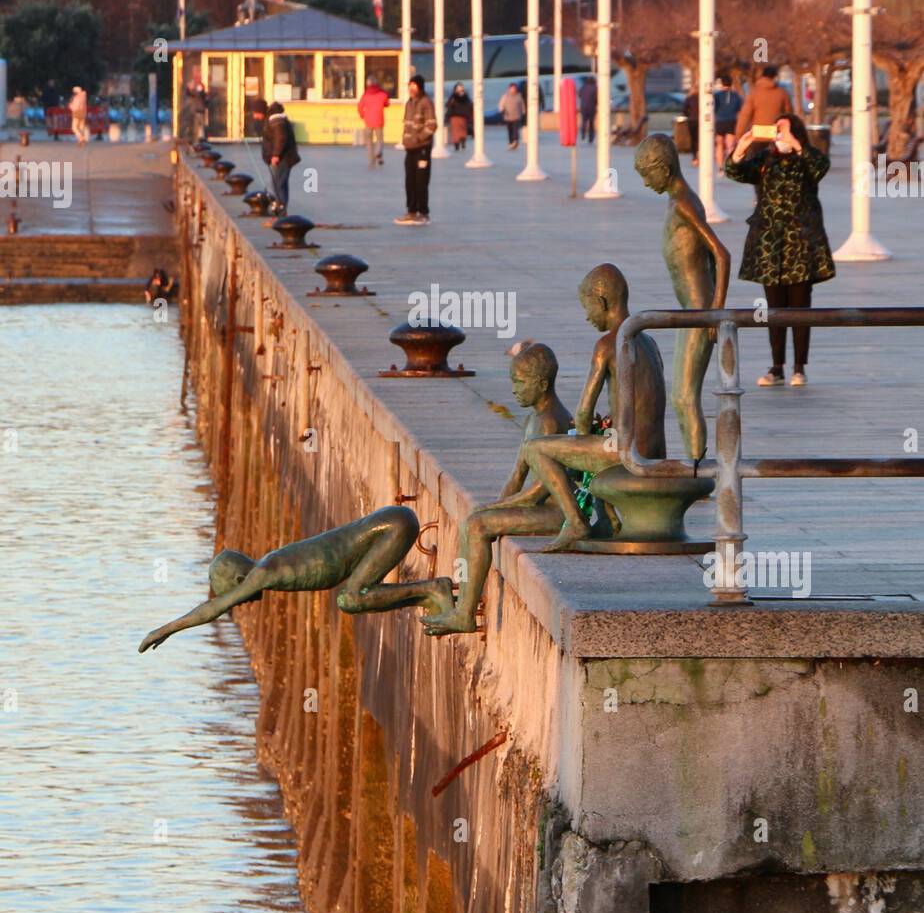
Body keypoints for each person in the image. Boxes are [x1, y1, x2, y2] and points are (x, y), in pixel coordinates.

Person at [497, 265, 667, 553]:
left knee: (536, 449)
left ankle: (576, 520)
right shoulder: (648, 339)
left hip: (627, 452)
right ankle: (607, 520)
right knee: (594, 444)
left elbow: (583, 413)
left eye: (587, 307)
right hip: (656, 451)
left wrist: (582, 435)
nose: (587, 316)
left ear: (600, 302)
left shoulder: (606, 345)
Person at [138, 506, 455, 654]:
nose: (244, 602)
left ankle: (433, 590)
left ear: (239, 578)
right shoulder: (270, 562)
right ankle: (428, 596)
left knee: (350, 599)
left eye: (238, 593)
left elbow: (213, 609)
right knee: (353, 595)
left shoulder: (264, 573)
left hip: (394, 526)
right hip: (390, 521)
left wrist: (165, 629)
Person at [421, 343, 573, 636]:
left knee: (477, 525)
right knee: (477, 519)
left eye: (519, 382)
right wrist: (498, 505)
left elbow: (539, 492)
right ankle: (462, 603)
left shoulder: (550, 422)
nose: (513, 389)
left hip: (559, 513)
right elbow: (517, 477)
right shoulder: (533, 419)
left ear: (542, 384)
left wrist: (494, 512)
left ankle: (464, 613)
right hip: (545, 506)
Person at [634, 134, 730, 461]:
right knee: (681, 396)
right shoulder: (677, 200)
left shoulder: (683, 203)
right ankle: (694, 465)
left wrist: (715, 313)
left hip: (698, 313)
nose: (646, 183)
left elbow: (721, 254)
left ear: (664, 167)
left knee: (685, 397)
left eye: (648, 174)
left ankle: (697, 470)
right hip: (690, 312)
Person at [724, 113, 835, 388]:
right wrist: (742, 146)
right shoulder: (765, 160)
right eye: (777, 131)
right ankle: (777, 366)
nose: (780, 136)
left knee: (800, 308)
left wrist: (796, 144)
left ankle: (799, 367)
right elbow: (735, 171)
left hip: (801, 247)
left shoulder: (806, 158)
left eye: (785, 130)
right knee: (773, 309)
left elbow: (821, 167)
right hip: (769, 246)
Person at [395, 74, 436, 225]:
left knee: (421, 181)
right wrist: (406, 140)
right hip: (410, 149)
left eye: (414, 86)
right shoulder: (409, 103)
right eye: (409, 86)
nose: (411, 89)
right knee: (410, 181)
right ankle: (411, 211)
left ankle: (423, 213)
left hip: (422, 148)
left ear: (420, 87)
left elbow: (432, 125)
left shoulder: (426, 103)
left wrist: (418, 138)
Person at [261, 100, 300, 214]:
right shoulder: (274, 119)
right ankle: (281, 211)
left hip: (282, 158)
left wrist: (275, 155)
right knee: (280, 184)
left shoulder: (276, 120)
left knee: (278, 185)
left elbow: (280, 138)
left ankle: (281, 212)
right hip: (283, 157)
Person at [735, 64, 793, 140]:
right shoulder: (782, 93)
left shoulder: (754, 93)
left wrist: (739, 134)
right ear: (775, 77)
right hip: (775, 135)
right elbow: (789, 114)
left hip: (757, 135)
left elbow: (745, 115)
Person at [713, 72, 743, 173]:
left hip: (720, 121)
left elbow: (713, 108)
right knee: (730, 145)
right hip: (732, 121)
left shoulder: (716, 95)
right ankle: (730, 166)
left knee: (719, 144)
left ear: (722, 84)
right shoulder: (736, 95)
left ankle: (720, 167)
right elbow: (740, 110)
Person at [357, 74, 389, 167]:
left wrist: (362, 115)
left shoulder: (365, 95)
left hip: (368, 121)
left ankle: (371, 162)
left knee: (369, 142)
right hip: (379, 120)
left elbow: (360, 106)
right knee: (380, 139)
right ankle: (378, 152)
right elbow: (387, 103)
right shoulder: (382, 93)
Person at [446, 83, 473, 151]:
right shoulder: (466, 98)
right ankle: (463, 141)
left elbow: (448, 105)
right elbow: (470, 106)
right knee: (463, 130)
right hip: (463, 117)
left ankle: (457, 145)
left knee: (455, 132)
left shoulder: (453, 97)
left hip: (454, 116)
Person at [499, 82, 525, 150]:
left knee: (515, 130)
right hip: (508, 116)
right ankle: (511, 142)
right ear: (509, 89)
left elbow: (522, 105)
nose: (514, 89)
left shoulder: (519, 96)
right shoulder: (505, 96)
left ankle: (515, 141)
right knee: (510, 130)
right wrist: (502, 110)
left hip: (516, 116)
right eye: (512, 88)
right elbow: (501, 104)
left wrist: (523, 111)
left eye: (515, 88)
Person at [682, 86, 699, 166]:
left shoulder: (689, 98)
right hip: (701, 121)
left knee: (693, 139)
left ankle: (695, 157)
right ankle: (699, 155)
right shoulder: (703, 98)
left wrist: (689, 115)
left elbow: (684, 110)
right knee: (700, 139)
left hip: (692, 120)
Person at [579, 76, 598, 144]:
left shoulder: (583, 87)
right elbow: (596, 98)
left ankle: (583, 135)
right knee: (591, 123)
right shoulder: (595, 87)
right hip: (592, 107)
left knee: (584, 121)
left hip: (583, 107)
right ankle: (591, 138)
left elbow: (580, 94)